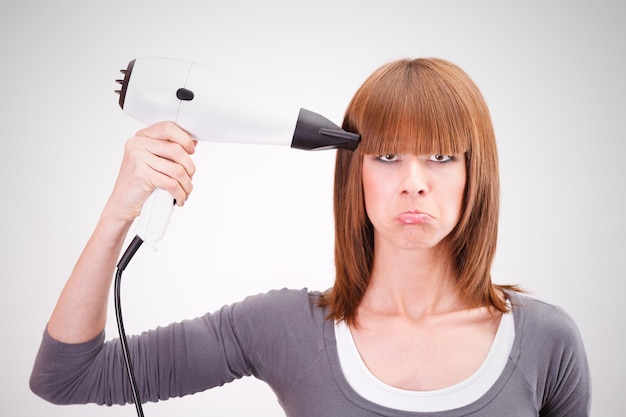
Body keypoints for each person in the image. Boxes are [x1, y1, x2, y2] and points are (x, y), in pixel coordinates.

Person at [30, 58, 591, 416]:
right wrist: (116, 215)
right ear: (355, 170)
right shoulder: (282, 330)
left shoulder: (545, 342)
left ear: (477, 173)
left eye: (442, 157)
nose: (414, 185)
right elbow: (67, 378)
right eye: (389, 156)